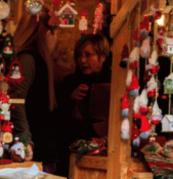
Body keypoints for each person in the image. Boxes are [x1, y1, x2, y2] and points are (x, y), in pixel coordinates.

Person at [10, 12, 59, 166]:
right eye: (57, 35)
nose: (57, 40)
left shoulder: (34, 59)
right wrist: (25, 138)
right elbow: (16, 100)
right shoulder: (27, 59)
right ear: (49, 34)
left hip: (41, 146)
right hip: (32, 151)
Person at [56, 34, 111, 154]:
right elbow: (58, 120)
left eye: (88, 55)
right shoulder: (69, 83)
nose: (82, 60)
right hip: (73, 150)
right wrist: (70, 99)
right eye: (79, 55)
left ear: (103, 57)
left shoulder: (114, 82)